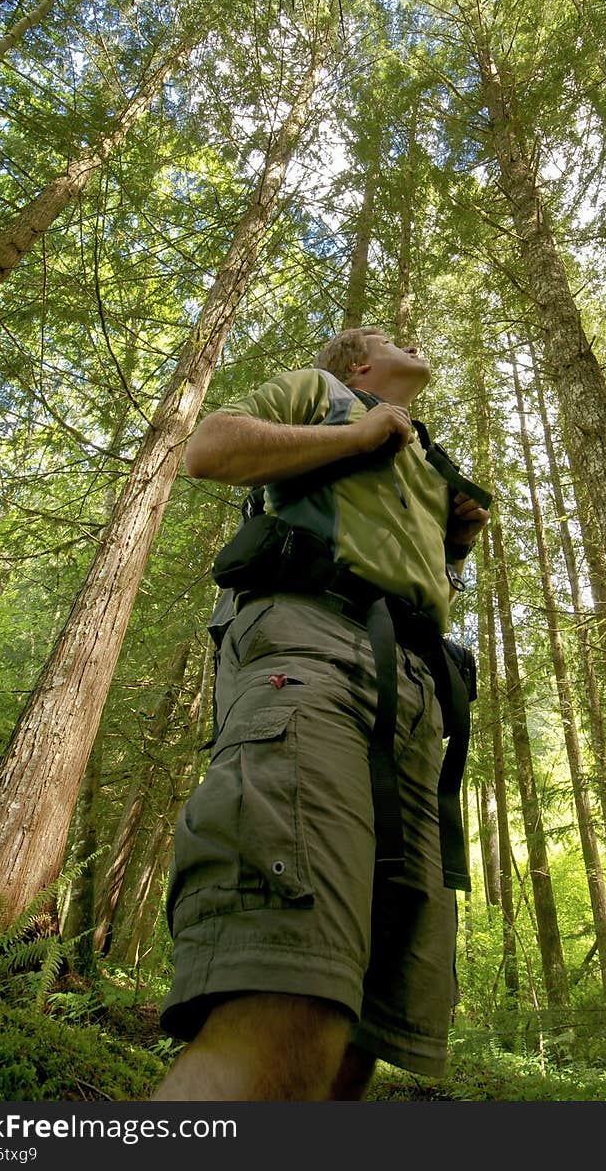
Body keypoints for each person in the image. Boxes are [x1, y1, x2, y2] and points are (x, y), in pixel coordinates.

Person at [152, 327, 491, 1101]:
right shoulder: (319, 390)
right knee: (292, 986)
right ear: (358, 362)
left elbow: (399, 554)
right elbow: (210, 449)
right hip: (311, 642)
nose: (410, 339)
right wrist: (361, 430)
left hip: (415, 693)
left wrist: (455, 543)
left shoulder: (427, 452)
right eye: (387, 336)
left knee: (360, 1028)